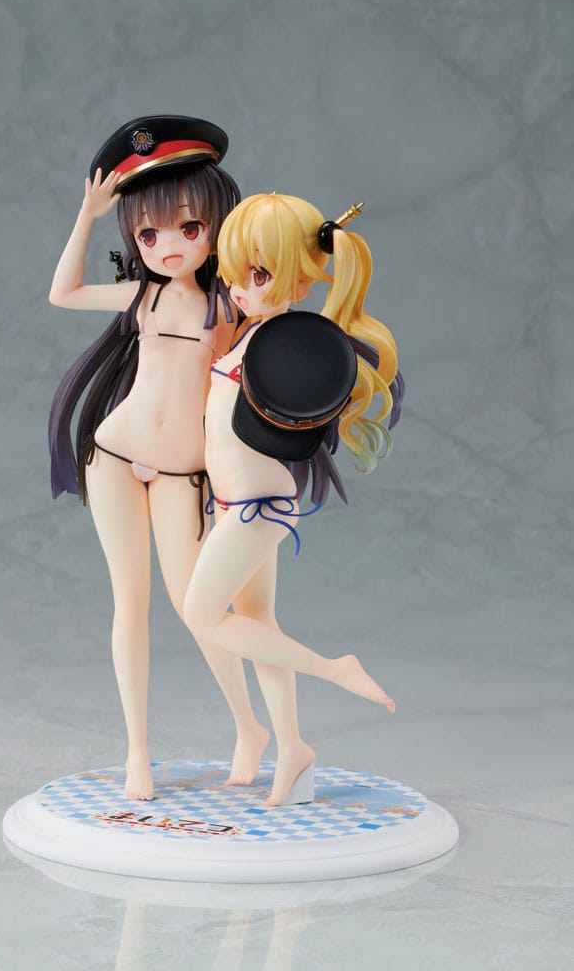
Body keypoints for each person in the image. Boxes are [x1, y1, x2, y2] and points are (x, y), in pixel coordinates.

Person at [48, 116, 270, 801]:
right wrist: (87, 217)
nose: (168, 246)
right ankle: (137, 752)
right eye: (148, 235)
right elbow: (63, 293)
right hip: (115, 455)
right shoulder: (142, 294)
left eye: (188, 228)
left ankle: (250, 727)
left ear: (215, 227)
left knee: (197, 605)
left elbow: (269, 345)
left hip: (181, 471)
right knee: (130, 603)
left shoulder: (228, 307)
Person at [183, 193, 404, 806]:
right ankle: (294, 750)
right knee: (257, 626)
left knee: (202, 615)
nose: (240, 288)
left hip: (257, 506)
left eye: (258, 274)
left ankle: (335, 668)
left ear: (301, 280)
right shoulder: (253, 336)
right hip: (238, 504)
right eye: (235, 273)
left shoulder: (286, 345)